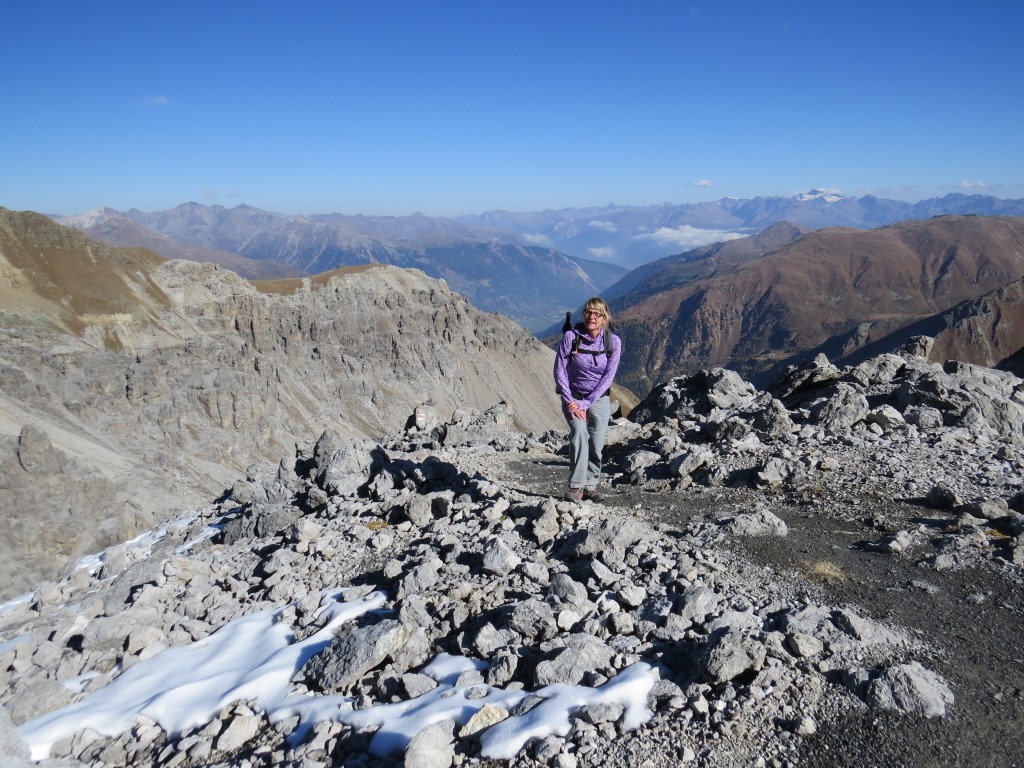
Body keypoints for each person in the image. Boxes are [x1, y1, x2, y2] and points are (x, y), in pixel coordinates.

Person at [553, 297, 622, 502]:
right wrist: (571, 400)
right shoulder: (571, 337)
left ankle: (590, 485)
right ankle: (576, 486)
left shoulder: (613, 342)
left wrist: (587, 402)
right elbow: (559, 370)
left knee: (597, 442)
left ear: (604, 318)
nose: (591, 317)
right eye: (588, 312)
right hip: (573, 395)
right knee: (579, 434)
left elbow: (609, 376)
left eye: (596, 314)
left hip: (598, 398)